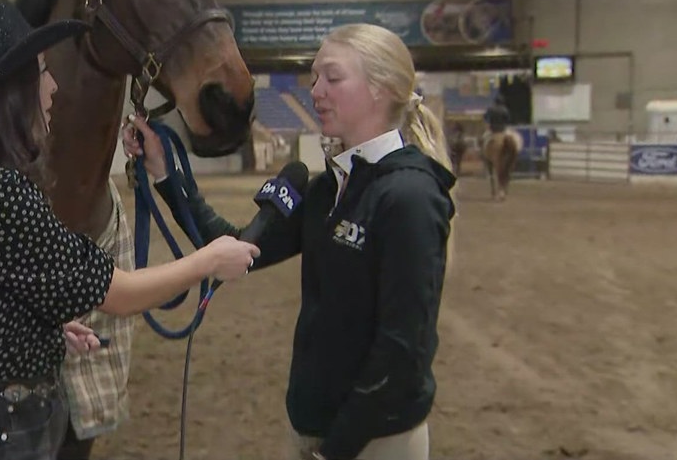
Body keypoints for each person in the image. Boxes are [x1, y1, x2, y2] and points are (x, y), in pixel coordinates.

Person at [0, 0, 260, 460]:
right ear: (10, 92)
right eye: (42, 73)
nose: (53, 88)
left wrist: (25, 331)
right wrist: (208, 260)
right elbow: (119, 295)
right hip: (7, 436)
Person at [123, 23, 457, 460]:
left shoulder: (409, 197)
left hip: (374, 441)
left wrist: (336, 450)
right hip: (312, 427)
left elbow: (403, 353)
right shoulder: (324, 188)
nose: (316, 91)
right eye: (313, 78)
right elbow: (238, 245)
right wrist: (167, 172)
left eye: (332, 78)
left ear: (383, 88)